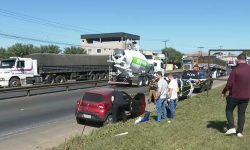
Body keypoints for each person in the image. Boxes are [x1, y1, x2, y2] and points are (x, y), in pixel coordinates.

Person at [222, 53, 250, 138]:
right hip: (246, 96)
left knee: (229, 110)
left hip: (234, 95)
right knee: (241, 113)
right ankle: (239, 132)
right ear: (245, 60)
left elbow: (229, 84)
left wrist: (224, 92)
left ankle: (232, 127)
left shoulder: (235, 70)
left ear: (238, 60)